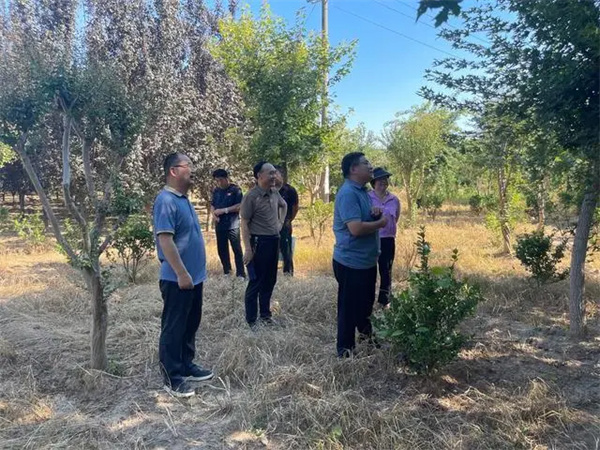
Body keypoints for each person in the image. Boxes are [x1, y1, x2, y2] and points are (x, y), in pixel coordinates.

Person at [153, 153, 214, 398]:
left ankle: (186, 364)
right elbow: (165, 240)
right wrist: (181, 273)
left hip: (194, 278)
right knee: (174, 327)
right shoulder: (166, 200)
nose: (192, 169)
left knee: (190, 324)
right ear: (173, 171)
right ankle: (172, 377)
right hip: (177, 279)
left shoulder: (183, 199)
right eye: (188, 165)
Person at [332, 152, 388, 358]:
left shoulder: (362, 192)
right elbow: (355, 229)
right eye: (366, 163)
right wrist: (380, 223)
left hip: (365, 261)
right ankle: (345, 351)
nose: (371, 166)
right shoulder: (348, 193)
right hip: (350, 263)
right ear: (353, 169)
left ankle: (367, 339)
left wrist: (373, 213)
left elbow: (360, 218)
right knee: (348, 309)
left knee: (364, 306)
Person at [240, 161, 287, 327]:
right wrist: (248, 249)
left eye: (275, 172)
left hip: (274, 241)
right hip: (259, 243)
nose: (274, 176)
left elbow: (284, 205)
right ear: (259, 176)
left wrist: (280, 223)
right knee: (256, 282)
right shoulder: (251, 196)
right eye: (270, 173)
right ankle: (251, 321)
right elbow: (244, 223)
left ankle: (266, 316)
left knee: (270, 280)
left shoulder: (274, 192)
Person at [368, 168, 401, 307]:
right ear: (373, 183)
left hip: (388, 239)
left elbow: (396, 218)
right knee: (369, 271)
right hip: (371, 239)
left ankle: (384, 301)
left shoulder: (394, 199)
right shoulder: (367, 198)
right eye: (380, 181)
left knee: (386, 270)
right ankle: (368, 300)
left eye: (385, 180)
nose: (383, 183)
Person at [210, 169, 245, 279]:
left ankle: (240, 274)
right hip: (220, 225)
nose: (219, 183)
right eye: (217, 181)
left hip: (232, 224)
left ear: (226, 178)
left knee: (236, 249)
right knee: (222, 250)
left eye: (220, 180)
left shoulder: (235, 190)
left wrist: (224, 210)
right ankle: (227, 271)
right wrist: (214, 215)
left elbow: (239, 206)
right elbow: (212, 205)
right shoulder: (216, 191)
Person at [274, 165, 299, 276]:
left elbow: (295, 208)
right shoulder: (269, 190)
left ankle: (288, 273)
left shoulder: (290, 190)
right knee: (272, 250)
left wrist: (288, 220)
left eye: (275, 174)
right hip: (270, 225)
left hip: (285, 225)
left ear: (281, 175)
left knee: (286, 250)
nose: (273, 177)